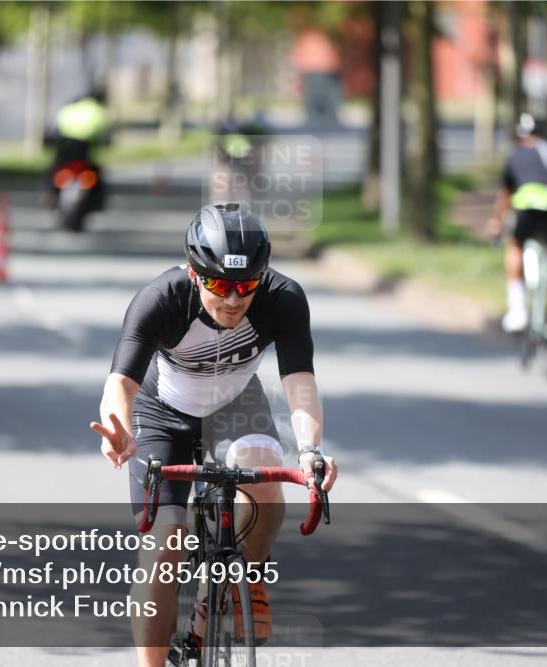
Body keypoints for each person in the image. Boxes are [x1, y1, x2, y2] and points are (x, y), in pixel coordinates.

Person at [90, 202, 338, 667]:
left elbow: (299, 381)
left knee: (266, 484)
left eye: (245, 286)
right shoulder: (161, 299)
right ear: (193, 272)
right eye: (219, 284)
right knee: (167, 542)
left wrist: (309, 450)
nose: (232, 299)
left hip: (237, 405)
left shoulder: (283, 297)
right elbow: (120, 383)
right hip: (163, 413)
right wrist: (119, 429)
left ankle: (238, 588)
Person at [488, 113, 547, 334]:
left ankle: (517, 309)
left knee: (515, 246)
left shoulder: (515, 156)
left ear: (521, 136)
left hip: (530, 208)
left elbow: (505, 195)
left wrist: (496, 221)